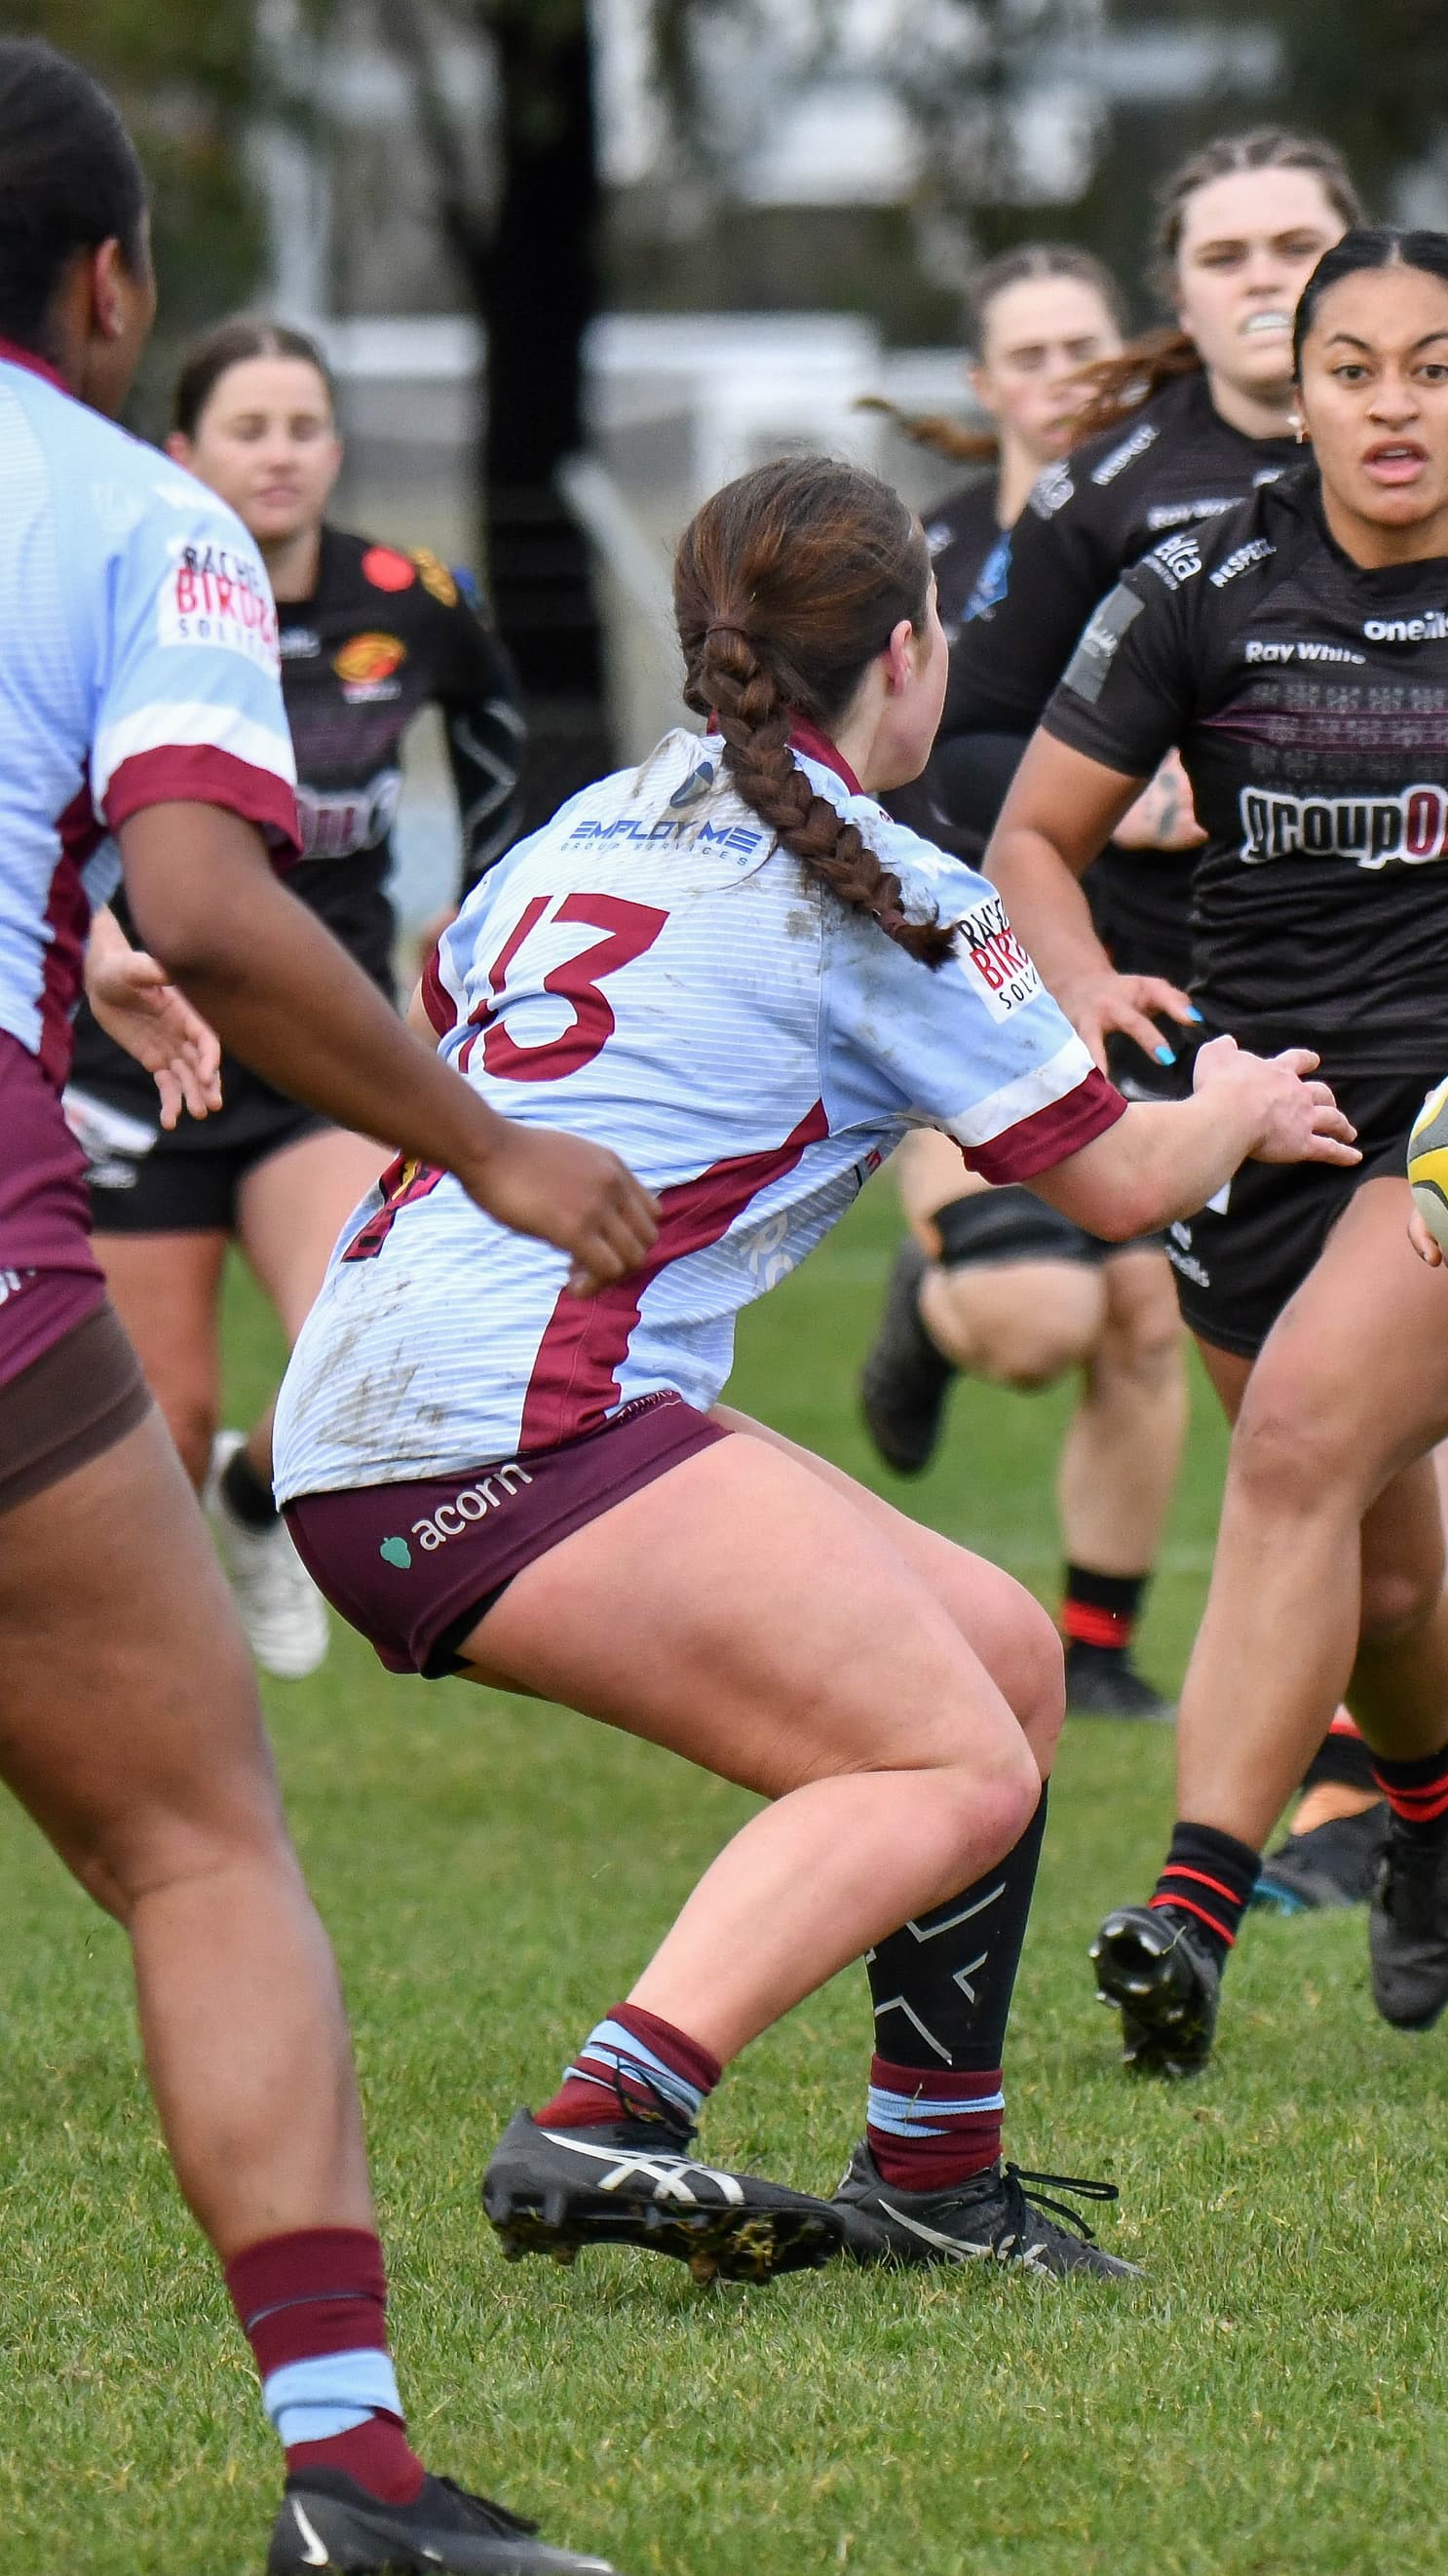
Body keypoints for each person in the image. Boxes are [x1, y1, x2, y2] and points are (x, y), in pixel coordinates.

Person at [268, 455, 1356, 2286]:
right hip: (509, 1427)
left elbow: (461, 1000)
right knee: (947, 1766)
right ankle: (611, 2114)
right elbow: (1108, 1183)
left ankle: (937, 2181)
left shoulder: (589, 821)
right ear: (912, 658)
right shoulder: (897, 888)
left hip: (374, 1403)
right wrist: (1238, 1107)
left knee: (1004, 1665)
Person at [0, 43, 645, 2572]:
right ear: (116, 285)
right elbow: (222, 901)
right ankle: (355, 2481)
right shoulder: (139, 515)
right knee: (191, 1841)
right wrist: (487, 1138)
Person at [984, 227, 1448, 2071]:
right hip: (1256, 1121)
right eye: (1353, 367)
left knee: (1289, 1451)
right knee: (1376, 1572)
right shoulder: (1202, 577)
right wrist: (1092, 987)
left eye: (1434, 367)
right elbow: (1034, 839)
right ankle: (1438, 1796)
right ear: (1305, 383)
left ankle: (1191, 1903)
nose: (1392, 405)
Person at [58, 315, 526, 1681]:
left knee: (368, 1346)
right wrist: (89, 933)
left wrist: (480, 900)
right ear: (180, 451)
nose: (280, 457)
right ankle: (166, 1685)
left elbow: (497, 727)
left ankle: (261, 1492)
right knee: (155, 1416)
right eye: (248, 431)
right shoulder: (120, 595)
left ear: (336, 448)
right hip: (134, 1046)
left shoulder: (411, 596)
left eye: (304, 429)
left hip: (320, 1042)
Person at [853, 243, 1193, 1720]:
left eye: (1085, 349)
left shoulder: (1191, 550)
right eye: (1030, 354)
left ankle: (1100, 1649)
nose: (1062, 377)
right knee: (1039, 1324)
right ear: (985, 384)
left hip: (1146, 984)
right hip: (948, 997)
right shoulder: (911, 566)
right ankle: (925, 1320)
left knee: (1145, 1310)